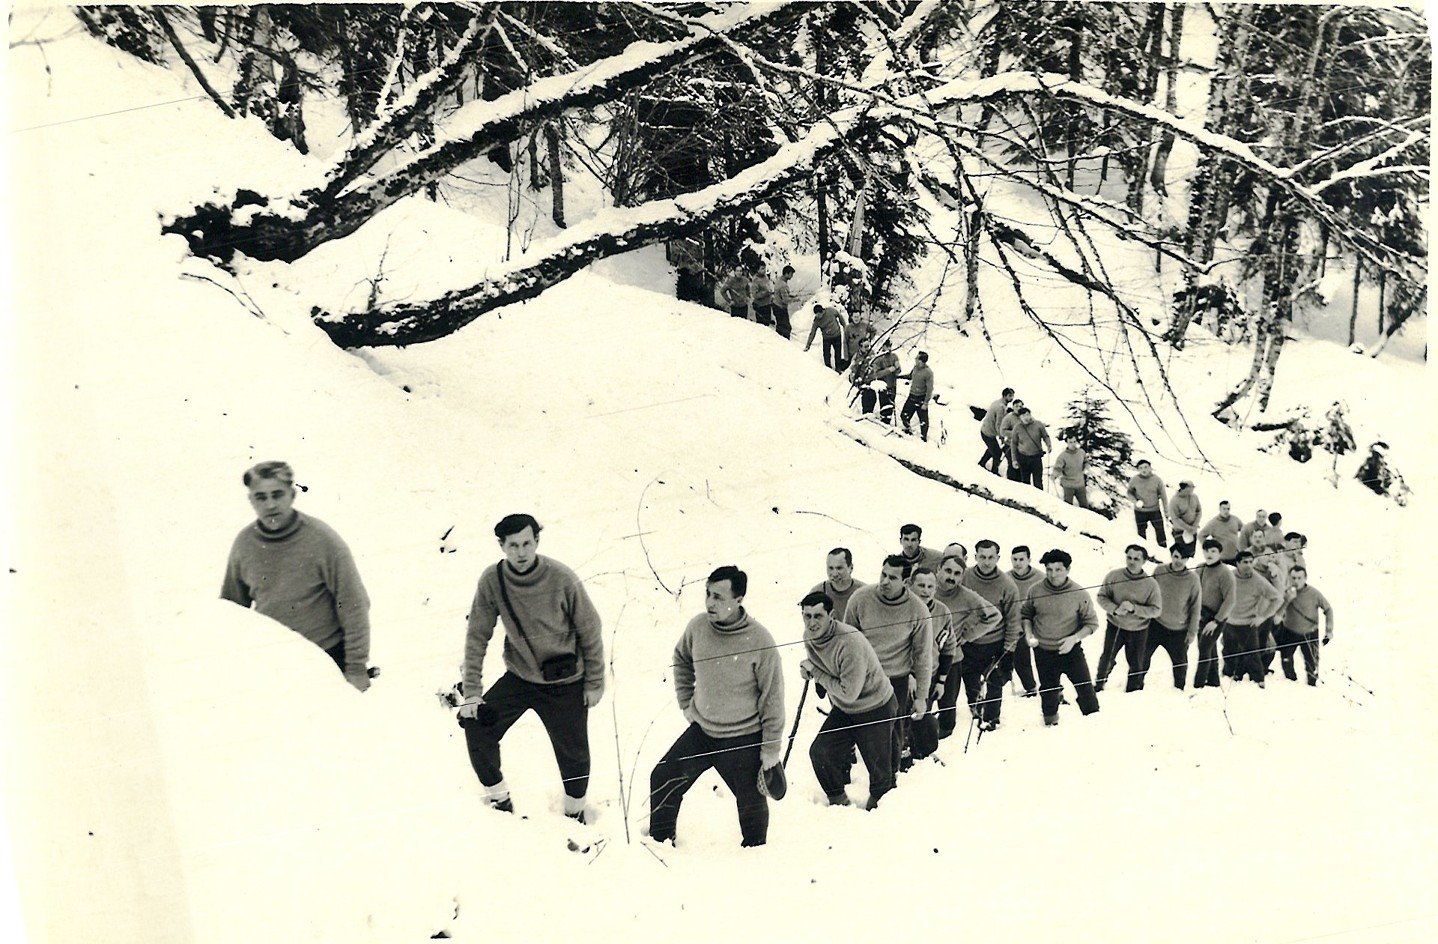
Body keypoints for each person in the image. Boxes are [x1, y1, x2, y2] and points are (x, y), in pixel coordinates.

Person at [458, 514, 605, 818]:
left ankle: (574, 812)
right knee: (477, 727)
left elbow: (590, 630)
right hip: (520, 677)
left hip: (565, 682)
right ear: (502, 546)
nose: (521, 553)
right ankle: (499, 799)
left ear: (537, 541)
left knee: (574, 756)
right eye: (513, 546)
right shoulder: (492, 581)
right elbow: (477, 636)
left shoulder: (562, 578)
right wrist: (472, 692)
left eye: (527, 543)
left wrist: (594, 682)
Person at [649, 566, 784, 847]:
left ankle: (755, 856)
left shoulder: (760, 641)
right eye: (708, 595)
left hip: (742, 739)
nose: (710, 603)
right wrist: (686, 702)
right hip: (703, 733)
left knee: (751, 805)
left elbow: (773, 699)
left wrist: (770, 749)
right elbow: (681, 658)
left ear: (739, 599)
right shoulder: (698, 627)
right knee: (663, 778)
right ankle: (659, 844)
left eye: (719, 597)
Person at [222, 460, 373, 691]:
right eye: (261, 497)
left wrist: (355, 669)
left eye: (277, 494)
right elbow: (232, 612)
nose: (270, 504)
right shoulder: (244, 545)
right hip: (275, 666)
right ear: (251, 500)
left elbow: (355, 606)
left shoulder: (322, 540)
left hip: (328, 660)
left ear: (292, 495)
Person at [800, 592, 897, 809]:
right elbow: (820, 665)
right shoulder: (809, 637)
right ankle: (837, 799)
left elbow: (848, 691)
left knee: (879, 768)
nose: (812, 623)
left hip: (875, 706)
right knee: (820, 751)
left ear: (831, 616)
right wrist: (810, 671)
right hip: (846, 708)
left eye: (818, 616)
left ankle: (882, 811)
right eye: (807, 616)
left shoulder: (849, 642)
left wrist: (815, 671)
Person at [843, 556, 934, 773]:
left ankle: (889, 782)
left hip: (896, 682)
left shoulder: (918, 610)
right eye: (883, 574)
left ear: (906, 582)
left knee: (893, 736)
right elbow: (846, 642)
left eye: (892, 577)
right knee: (848, 730)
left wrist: (921, 697)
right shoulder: (860, 599)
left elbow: (923, 657)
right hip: (862, 679)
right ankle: (845, 771)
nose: (884, 581)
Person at [1021, 549, 1100, 726]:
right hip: (1043, 651)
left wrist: (1074, 638)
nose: (1053, 574)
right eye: (1049, 569)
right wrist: (1029, 634)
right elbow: (1026, 615)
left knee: (1086, 690)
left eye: (1058, 569)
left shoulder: (1079, 593)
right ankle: (1050, 727)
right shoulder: (1035, 590)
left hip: (1070, 650)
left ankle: (1094, 726)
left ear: (1068, 569)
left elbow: (1092, 623)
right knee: (1048, 693)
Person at [958, 539, 1021, 731]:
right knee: (971, 680)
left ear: (998, 558)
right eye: (982, 557)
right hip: (967, 642)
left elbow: (1013, 620)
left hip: (994, 643)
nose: (986, 562)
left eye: (991, 557)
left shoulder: (1007, 585)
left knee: (995, 682)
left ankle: (992, 719)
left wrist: (1009, 651)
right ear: (975, 556)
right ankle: (976, 709)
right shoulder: (964, 577)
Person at [1095, 544, 1164, 693]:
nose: (1132, 562)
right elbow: (1101, 596)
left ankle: (1133, 691)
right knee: (1107, 657)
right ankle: (1099, 685)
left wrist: (1135, 609)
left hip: (1138, 630)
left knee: (1137, 663)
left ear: (1144, 561)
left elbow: (1156, 610)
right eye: (1129, 557)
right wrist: (1114, 609)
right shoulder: (1114, 576)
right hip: (1115, 626)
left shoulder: (1151, 584)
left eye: (1136, 559)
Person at [907, 568, 958, 759]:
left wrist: (942, 680)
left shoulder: (942, 612)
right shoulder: (902, 609)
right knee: (902, 719)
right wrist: (909, 674)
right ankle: (901, 756)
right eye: (921, 585)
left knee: (922, 716)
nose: (925, 590)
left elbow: (947, 647)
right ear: (910, 586)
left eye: (930, 586)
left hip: (929, 674)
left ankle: (920, 754)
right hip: (904, 676)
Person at [1223, 551, 1284, 687]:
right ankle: (1229, 677)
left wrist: (1263, 616)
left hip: (1247, 624)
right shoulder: (1228, 576)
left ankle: (1258, 682)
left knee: (1253, 654)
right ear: (1237, 563)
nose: (1248, 565)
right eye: (1245, 562)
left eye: (1251, 562)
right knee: (1228, 651)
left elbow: (1277, 598)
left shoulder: (1258, 580)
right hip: (1229, 622)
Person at [1144, 545, 1201, 690]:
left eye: (1183, 558)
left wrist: (1192, 632)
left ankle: (1179, 691)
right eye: (1176, 556)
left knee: (1180, 664)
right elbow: (1149, 594)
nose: (1179, 561)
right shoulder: (1159, 571)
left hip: (1178, 630)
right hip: (1156, 624)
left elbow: (1196, 607)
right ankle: (1134, 686)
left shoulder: (1193, 579)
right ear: (1171, 556)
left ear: (1188, 559)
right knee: (1142, 657)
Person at [1272, 566, 1334, 685]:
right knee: (1286, 659)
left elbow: (1328, 609)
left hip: (1310, 633)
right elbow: (1276, 617)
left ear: (1305, 578)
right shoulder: (1286, 593)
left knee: (1312, 663)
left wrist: (1329, 630)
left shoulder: (1314, 593)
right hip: (1289, 632)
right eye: (1293, 578)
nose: (1296, 581)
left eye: (1299, 578)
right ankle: (1291, 683)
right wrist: (1287, 600)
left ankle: (1312, 685)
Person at [1193, 539, 1236, 688]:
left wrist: (1217, 621)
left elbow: (1230, 600)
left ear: (1219, 553)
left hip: (1216, 617)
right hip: (1201, 615)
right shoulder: (1199, 568)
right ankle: (1213, 682)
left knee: (1204, 648)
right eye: (1207, 551)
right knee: (1209, 648)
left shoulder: (1225, 573)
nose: (1209, 554)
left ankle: (1198, 685)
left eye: (1213, 551)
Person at [1006, 545, 1042, 697]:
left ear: (1029, 560)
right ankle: (1030, 688)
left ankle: (1054, 689)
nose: (1018, 563)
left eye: (1022, 559)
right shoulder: (1005, 578)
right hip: (1017, 626)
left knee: (1045, 659)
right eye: (1015, 559)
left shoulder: (1040, 578)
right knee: (1020, 659)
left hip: (1038, 624)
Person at [810, 547, 867, 621]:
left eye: (839, 568)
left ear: (851, 568)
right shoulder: (817, 592)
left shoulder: (864, 593)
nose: (834, 574)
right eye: (830, 568)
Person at [1127, 460, 1169, 548]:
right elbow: (1129, 493)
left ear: (1150, 468)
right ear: (1138, 470)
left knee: (1160, 531)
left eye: (1146, 467)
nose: (1144, 470)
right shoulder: (1135, 480)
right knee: (1141, 533)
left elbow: (1164, 497)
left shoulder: (1157, 480)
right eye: (1141, 468)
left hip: (1154, 510)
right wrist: (1135, 502)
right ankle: (1142, 551)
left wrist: (1166, 512)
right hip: (1140, 511)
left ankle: (1163, 551)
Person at [1009, 405, 1052, 489]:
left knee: (1038, 482)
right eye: (1023, 415)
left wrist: (1048, 444)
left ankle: (1040, 500)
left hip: (1036, 457)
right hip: (1023, 458)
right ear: (1020, 417)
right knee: (1025, 482)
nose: (1026, 417)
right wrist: (1014, 459)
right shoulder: (1017, 428)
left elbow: (1045, 436)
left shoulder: (1038, 425)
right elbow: (1013, 443)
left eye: (1027, 414)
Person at [898, 351, 935, 441]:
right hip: (912, 396)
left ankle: (923, 438)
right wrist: (898, 377)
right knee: (904, 415)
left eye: (917, 358)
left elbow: (930, 389)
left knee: (923, 420)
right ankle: (908, 430)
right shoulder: (915, 368)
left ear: (921, 361)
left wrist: (925, 403)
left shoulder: (928, 372)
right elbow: (910, 376)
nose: (915, 360)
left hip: (921, 398)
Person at [979, 388, 1016, 475]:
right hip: (988, 433)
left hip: (986, 431)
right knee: (997, 453)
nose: (1012, 398)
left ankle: (982, 463)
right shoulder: (1000, 407)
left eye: (1013, 396)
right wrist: (1002, 436)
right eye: (1010, 396)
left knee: (992, 448)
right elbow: (998, 424)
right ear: (1004, 396)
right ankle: (994, 472)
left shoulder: (999, 403)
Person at [1198, 501, 1244, 565]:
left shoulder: (1235, 520)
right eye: (1224, 509)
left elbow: (1244, 531)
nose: (1226, 511)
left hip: (1236, 556)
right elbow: (1201, 535)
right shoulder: (1213, 523)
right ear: (1219, 509)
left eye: (1228, 509)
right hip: (1221, 558)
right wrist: (1209, 548)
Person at [804, 302, 846, 371]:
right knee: (826, 354)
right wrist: (808, 345)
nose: (817, 316)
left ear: (822, 312)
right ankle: (828, 369)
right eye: (816, 315)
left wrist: (844, 326)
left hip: (836, 335)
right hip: (827, 338)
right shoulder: (816, 321)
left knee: (838, 353)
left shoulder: (831, 311)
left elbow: (839, 316)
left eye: (818, 314)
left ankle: (838, 368)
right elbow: (812, 332)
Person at [867, 340, 901, 423]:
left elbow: (898, 372)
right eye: (887, 346)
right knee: (884, 406)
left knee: (891, 407)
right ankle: (883, 422)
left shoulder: (894, 356)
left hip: (892, 385)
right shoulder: (878, 358)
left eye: (890, 346)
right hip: (883, 387)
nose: (889, 348)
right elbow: (876, 374)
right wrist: (888, 370)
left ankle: (887, 422)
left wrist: (898, 368)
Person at [1050, 437, 1089, 508]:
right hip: (1068, 485)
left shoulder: (1081, 452)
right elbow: (1058, 468)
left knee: (1085, 506)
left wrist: (1086, 468)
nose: (1073, 444)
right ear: (1067, 443)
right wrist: (1054, 475)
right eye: (1070, 442)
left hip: (1080, 484)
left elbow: (1086, 462)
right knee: (1068, 507)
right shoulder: (1063, 456)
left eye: (1074, 442)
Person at [1168, 480, 1202, 559]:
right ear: (1184, 488)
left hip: (1193, 531)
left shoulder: (1195, 497)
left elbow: (1199, 511)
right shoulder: (1174, 500)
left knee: (1191, 554)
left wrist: (1195, 525)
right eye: (1190, 488)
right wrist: (1188, 528)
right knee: (1181, 554)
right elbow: (1175, 518)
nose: (1192, 490)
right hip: (1180, 532)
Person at [998, 398, 1026, 481]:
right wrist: (1014, 434)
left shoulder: (1025, 417)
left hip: (1022, 447)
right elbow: (1002, 431)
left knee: (1021, 466)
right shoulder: (1008, 418)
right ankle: (1010, 483)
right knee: (1012, 465)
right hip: (1009, 445)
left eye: (1020, 406)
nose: (1018, 408)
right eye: (1016, 406)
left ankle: (1020, 483)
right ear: (1013, 407)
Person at [772, 265, 796, 339]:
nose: (792, 276)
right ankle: (785, 343)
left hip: (775, 305)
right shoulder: (783, 285)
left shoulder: (779, 280)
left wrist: (791, 295)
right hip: (780, 308)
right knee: (786, 328)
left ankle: (779, 340)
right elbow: (785, 300)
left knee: (780, 326)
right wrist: (795, 300)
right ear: (786, 274)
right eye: (791, 274)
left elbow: (781, 294)